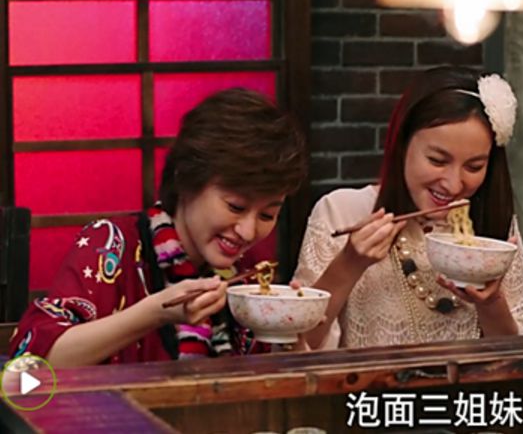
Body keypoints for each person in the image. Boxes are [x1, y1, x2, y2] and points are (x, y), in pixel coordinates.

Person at [8, 88, 307, 366]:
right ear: (186, 179)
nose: (248, 232)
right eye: (236, 207)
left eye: (267, 215)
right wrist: (155, 313)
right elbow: (30, 365)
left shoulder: (245, 273)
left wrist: (289, 337)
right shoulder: (111, 245)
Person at [294, 66, 523, 349]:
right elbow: (299, 346)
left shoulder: (494, 230)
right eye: (437, 160)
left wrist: (491, 302)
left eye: (474, 167)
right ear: (402, 146)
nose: (453, 184)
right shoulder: (342, 211)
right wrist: (349, 263)